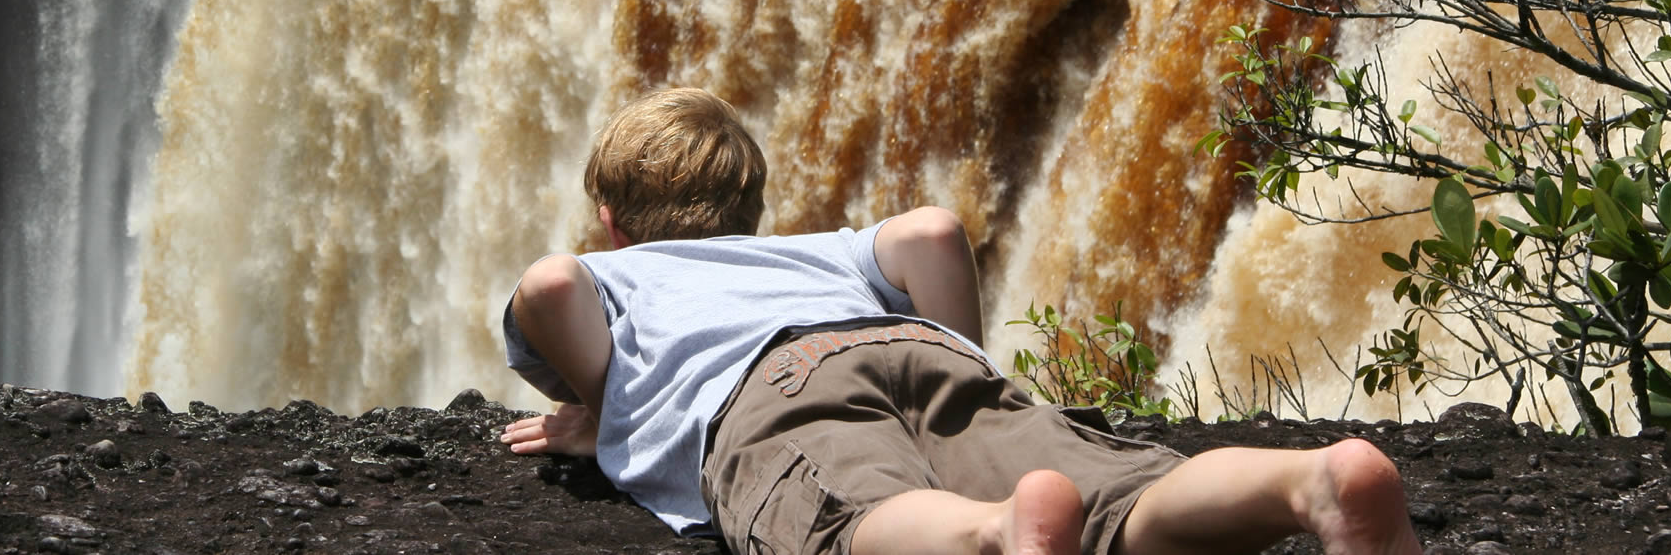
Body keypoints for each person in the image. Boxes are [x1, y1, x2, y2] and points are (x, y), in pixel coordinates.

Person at [498, 87, 1424, 555]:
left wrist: (613, 408)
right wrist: (961, 365)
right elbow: (934, 232)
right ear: (750, 208)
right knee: (1121, 497)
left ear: (612, 227)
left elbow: (548, 286)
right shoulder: (812, 251)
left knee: (850, 517)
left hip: (768, 389)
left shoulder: (618, 272)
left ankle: (991, 536)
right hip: (920, 351)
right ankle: (1308, 484)